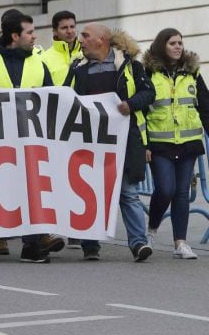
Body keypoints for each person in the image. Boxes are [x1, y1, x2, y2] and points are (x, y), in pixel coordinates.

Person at [0, 12, 62, 263]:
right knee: (0, 191)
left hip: (30, 141)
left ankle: (32, 245)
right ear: (14, 36)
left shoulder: (38, 63)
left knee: (32, 189)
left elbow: (52, 99)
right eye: (29, 32)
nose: (34, 37)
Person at [66, 23, 155, 262]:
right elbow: (65, 96)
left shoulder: (130, 66)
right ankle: (90, 245)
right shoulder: (78, 68)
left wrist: (131, 104)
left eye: (85, 35)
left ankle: (139, 244)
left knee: (128, 193)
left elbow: (149, 93)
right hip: (89, 143)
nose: (80, 39)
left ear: (102, 40)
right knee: (89, 193)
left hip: (123, 142)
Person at [141, 28, 208, 260]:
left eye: (180, 42)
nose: (178, 46)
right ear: (162, 45)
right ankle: (151, 230)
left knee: (181, 193)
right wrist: (145, 144)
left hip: (188, 142)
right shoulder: (148, 72)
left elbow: (205, 105)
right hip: (160, 143)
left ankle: (181, 243)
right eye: (172, 43)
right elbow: (141, 111)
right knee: (166, 189)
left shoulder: (192, 72)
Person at [42, 10, 81, 85]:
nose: (69, 31)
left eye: (72, 27)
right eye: (64, 28)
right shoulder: (44, 58)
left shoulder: (86, 53)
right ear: (55, 31)